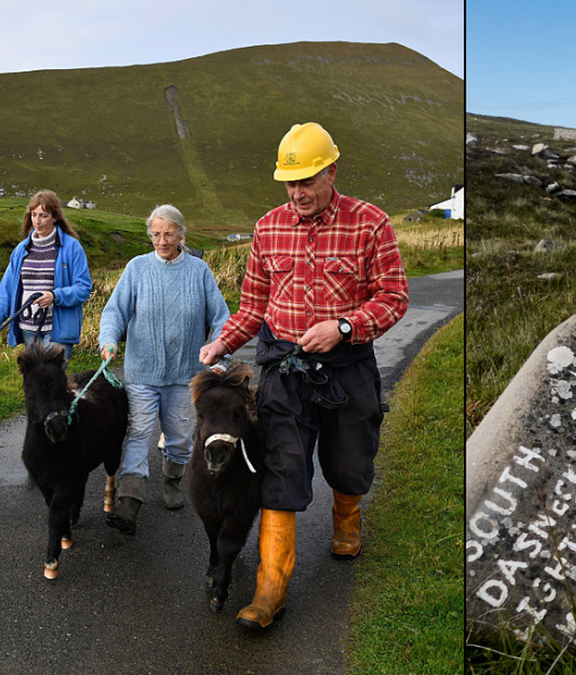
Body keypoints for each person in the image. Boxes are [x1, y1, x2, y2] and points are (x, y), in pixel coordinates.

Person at [198, 122, 409, 630]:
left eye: (307, 181)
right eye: (290, 183)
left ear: (331, 171)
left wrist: (344, 326)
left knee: (349, 458)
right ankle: (270, 589)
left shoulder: (371, 223)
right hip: (284, 372)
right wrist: (222, 342)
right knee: (280, 469)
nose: (298, 194)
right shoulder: (267, 227)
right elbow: (252, 307)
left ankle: (346, 521)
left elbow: (395, 297)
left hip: (347, 366)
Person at [100, 204, 230, 535]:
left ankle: (173, 479)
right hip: (142, 371)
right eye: (156, 234)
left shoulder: (199, 272)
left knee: (181, 437)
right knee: (139, 432)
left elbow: (220, 318)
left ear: (181, 235)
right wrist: (109, 339)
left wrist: (218, 353)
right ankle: (130, 501)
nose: (161, 240)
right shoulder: (137, 269)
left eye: (168, 234)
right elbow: (115, 310)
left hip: (185, 373)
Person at [0, 190, 91, 366]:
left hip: (58, 331)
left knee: (51, 385)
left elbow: (84, 287)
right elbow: (6, 293)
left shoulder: (72, 248)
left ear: (54, 217)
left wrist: (55, 296)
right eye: (34, 215)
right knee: (35, 385)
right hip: (28, 330)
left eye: (43, 215)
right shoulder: (20, 251)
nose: (37, 221)